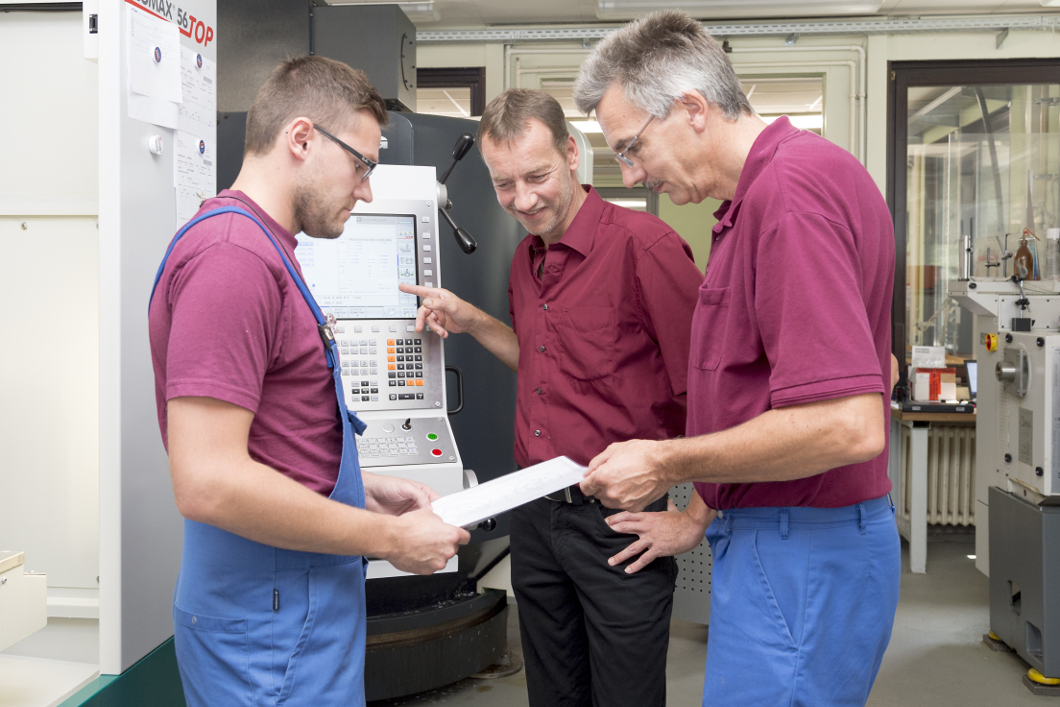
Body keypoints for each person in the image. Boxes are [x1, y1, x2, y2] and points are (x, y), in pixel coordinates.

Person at [574, 11, 900, 707]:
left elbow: (850, 422)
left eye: (633, 148)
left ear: (692, 109)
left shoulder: (789, 198)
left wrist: (664, 462)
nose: (633, 174)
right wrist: (700, 514)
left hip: (800, 548)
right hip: (784, 537)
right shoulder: (762, 199)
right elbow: (881, 363)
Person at [148, 56, 469, 707]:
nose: (368, 190)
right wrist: (389, 539)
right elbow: (207, 479)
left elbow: (275, 435)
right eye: (362, 164)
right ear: (301, 139)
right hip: (267, 630)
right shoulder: (233, 259)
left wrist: (363, 489)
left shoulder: (266, 249)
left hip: (290, 611)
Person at [398, 89, 709, 707]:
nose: (523, 199)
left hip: (616, 521)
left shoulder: (645, 250)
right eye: (504, 184)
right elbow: (543, 360)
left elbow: (714, 392)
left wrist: (694, 517)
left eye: (537, 176)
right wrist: (472, 320)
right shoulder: (525, 259)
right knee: (553, 694)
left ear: (572, 154)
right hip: (535, 513)